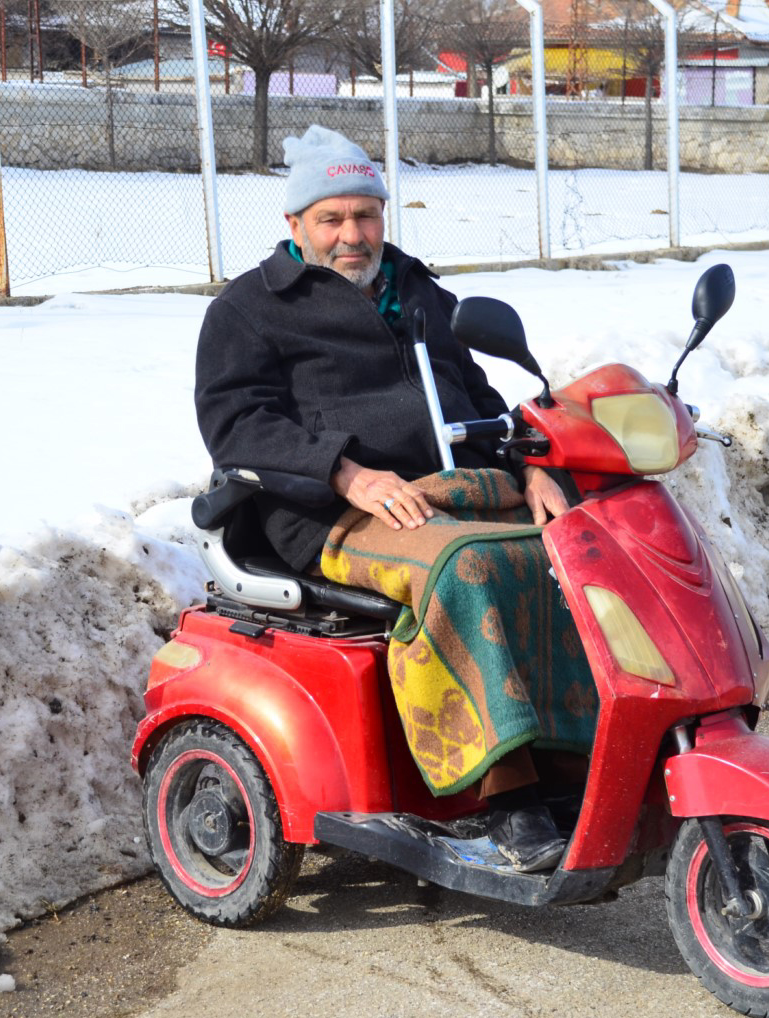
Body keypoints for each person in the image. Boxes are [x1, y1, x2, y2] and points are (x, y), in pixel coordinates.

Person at [194, 126, 593, 871]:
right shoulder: (249, 310)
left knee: (584, 546)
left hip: (451, 489)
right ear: (295, 225)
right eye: (332, 219)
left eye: (366, 215)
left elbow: (474, 395)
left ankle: (579, 754)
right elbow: (236, 426)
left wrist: (532, 464)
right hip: (331, 512)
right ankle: (507, 797)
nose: (353, 235)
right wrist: (347, 475)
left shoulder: (415, 290)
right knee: (466, 567)